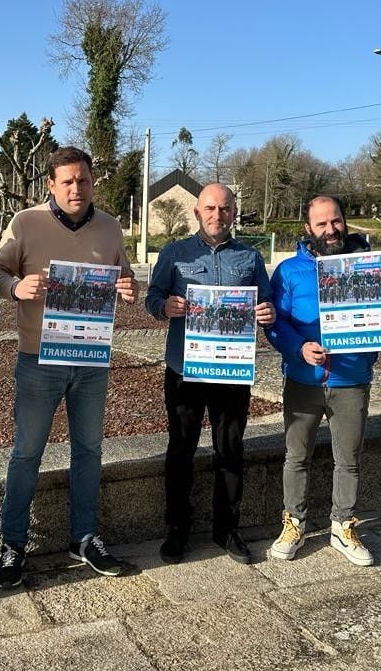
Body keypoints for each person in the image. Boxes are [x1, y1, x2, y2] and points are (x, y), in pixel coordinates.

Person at [0, 146, 138, 588]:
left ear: (93, 182)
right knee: (27, 452)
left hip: (91, 359)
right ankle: (13, 542)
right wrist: (16, 286)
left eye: (83, 180)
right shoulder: (25, 223)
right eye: (67, 181)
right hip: (38, 359)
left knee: (89, 450)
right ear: (50, 184)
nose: (76, 188)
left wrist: (127, 287)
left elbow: (122, 275)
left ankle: (85, 537)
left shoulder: (110, 226)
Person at [265, 195, 381, 566]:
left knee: (349, 459)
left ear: (345, 221)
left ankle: (343, 525)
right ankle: (294, 523)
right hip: (303, 379)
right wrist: (298, 348)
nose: (330, 230)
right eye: (321, 224)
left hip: (351, 379)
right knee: (296, 457)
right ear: (308, 228)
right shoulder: (290, 271)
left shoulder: (372, 266)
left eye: (335, 221)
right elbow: (276, 323)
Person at [145, 183, 275, 565]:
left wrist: (267, 311)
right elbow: (152, 298)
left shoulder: (249, 257)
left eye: (225, 209)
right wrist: (165, 305)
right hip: (185, 367)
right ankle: (177, 529)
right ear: (197, 212)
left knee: (230, 449)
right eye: (210, 208)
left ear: (234, 212)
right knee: (181, 449)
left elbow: (264, 299)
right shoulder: (174, 253)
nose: (218, 215)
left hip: (231, 369)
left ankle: (227, 528)